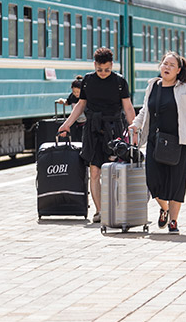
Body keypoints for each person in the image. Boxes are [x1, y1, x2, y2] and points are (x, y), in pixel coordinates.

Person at [58, 48, 136, 224]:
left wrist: (134, 129)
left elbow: (128, 107)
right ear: (94, 65)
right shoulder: (87, 81)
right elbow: (80, 105)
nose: (103, 73)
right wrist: (67, 124)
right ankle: (100, 211)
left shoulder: (119, 81)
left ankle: (116, 208)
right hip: (93, 130)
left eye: (107, 70)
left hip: (114, 129)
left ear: (112, 66)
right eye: (100, 69)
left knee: (116, 170)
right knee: (94, 171)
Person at [128, 52, 186, 235]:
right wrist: (136, 124)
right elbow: (145, 110)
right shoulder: (153, 86)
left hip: (181, 142)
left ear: (178, 70)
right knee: (153, 180)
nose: (167, 67)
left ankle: (174, 221)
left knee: (177, 182)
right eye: (165, 63)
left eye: (171, 65)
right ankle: (164, 208)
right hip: (155, 140)